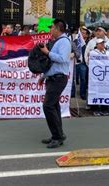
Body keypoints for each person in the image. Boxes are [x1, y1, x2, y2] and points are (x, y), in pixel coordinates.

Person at [37, 19, 71, 149]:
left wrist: (46, 52)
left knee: (48, 106)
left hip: (58, 79)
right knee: (54, 106)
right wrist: (44, 77)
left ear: (57, 29)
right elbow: (53, 65)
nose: (50, 30)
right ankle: (57, 134)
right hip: (54, 78)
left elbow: (62, 59)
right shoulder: (59, 41)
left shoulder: (64, 42)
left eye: (51, 27)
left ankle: (58, 136)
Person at [87, 38, 109, 116]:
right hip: (95, 76)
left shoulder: (107, 52)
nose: (102, 45)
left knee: (105, 91)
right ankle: (95, 108)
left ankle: (105, 108)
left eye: (103, 43)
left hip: (106, 75)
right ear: (97, 45)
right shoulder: (93, 52)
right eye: (100, 43)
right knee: (95, 91)